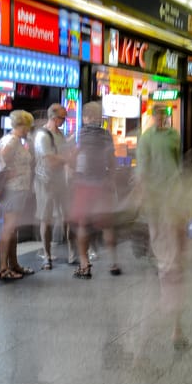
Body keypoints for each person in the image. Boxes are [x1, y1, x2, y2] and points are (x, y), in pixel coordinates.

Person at [136, 104, 186, 347]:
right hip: (155, 190)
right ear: (152, 116)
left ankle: (169, 258)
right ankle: (161, 257)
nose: (160, 118)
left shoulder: (174, 135)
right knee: (157, 227)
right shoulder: (145, 139)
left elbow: (177, 161)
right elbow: (142, 166)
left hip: (171, 188)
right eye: (157, 114)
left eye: (163, 115)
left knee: (170, 224)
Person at [69, 101, 120, 279]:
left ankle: (85, 265)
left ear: (87, 117)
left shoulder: (82, 134)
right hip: (102, 184)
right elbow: (111, 160)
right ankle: (113, 263)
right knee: (106, 225)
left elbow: (75, 156)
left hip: (84, 184)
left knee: (83, 224)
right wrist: (111, 178)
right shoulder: (106, 135)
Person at [0, 110, 36, 281]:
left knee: (13, 228)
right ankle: (3, 268)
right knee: (9, 228)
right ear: (22, 125)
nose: (29, 129)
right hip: (13, 190)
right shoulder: (12, 140)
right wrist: (7, 174)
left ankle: (13, 263)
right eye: (28, 125)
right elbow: (1, 159)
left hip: (18, 189)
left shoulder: (16, 140)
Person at [33, 103, 74, 269]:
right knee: (46, 218)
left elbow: (63, 155)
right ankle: (47, 255)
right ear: (54, 118)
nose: (64, 121)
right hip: (45, 182)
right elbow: (50, 160)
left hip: (61, 181)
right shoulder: (42, 136)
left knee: (68, 217)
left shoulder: (60, 134)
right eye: (63, 118)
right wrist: (66, 159)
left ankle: (73, 254)